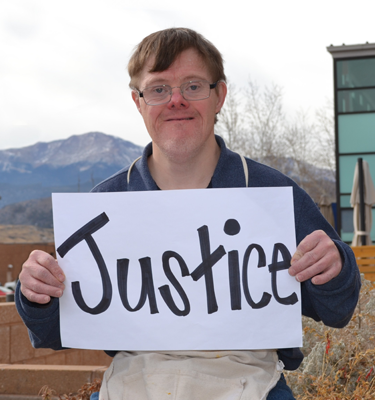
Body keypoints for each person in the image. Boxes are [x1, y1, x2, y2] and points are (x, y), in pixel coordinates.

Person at [16, 27, 361, 400]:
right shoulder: (106, 204)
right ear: (138, 101)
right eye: (159, 88)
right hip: (133, 384)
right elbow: (53, 330)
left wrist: (334, 267)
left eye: (193, 86)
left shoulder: (270, 193)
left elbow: (338, 308)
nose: (176, 100)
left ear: (220, 96)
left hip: (252, 384)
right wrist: (36, 291)